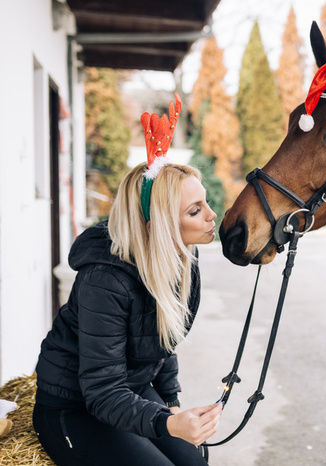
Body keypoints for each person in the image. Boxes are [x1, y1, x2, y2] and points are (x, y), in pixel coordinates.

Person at [33, 94, 222, 465]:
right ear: (162, 224)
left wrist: (171, 401)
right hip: (74, 405)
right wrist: (168, 425)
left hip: (130, 392)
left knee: (194, 461)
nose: (212, 215)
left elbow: (162, 339)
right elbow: (101, 392)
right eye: (195, 210)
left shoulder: (181, 256)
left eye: (206, 203)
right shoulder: (106, 280)